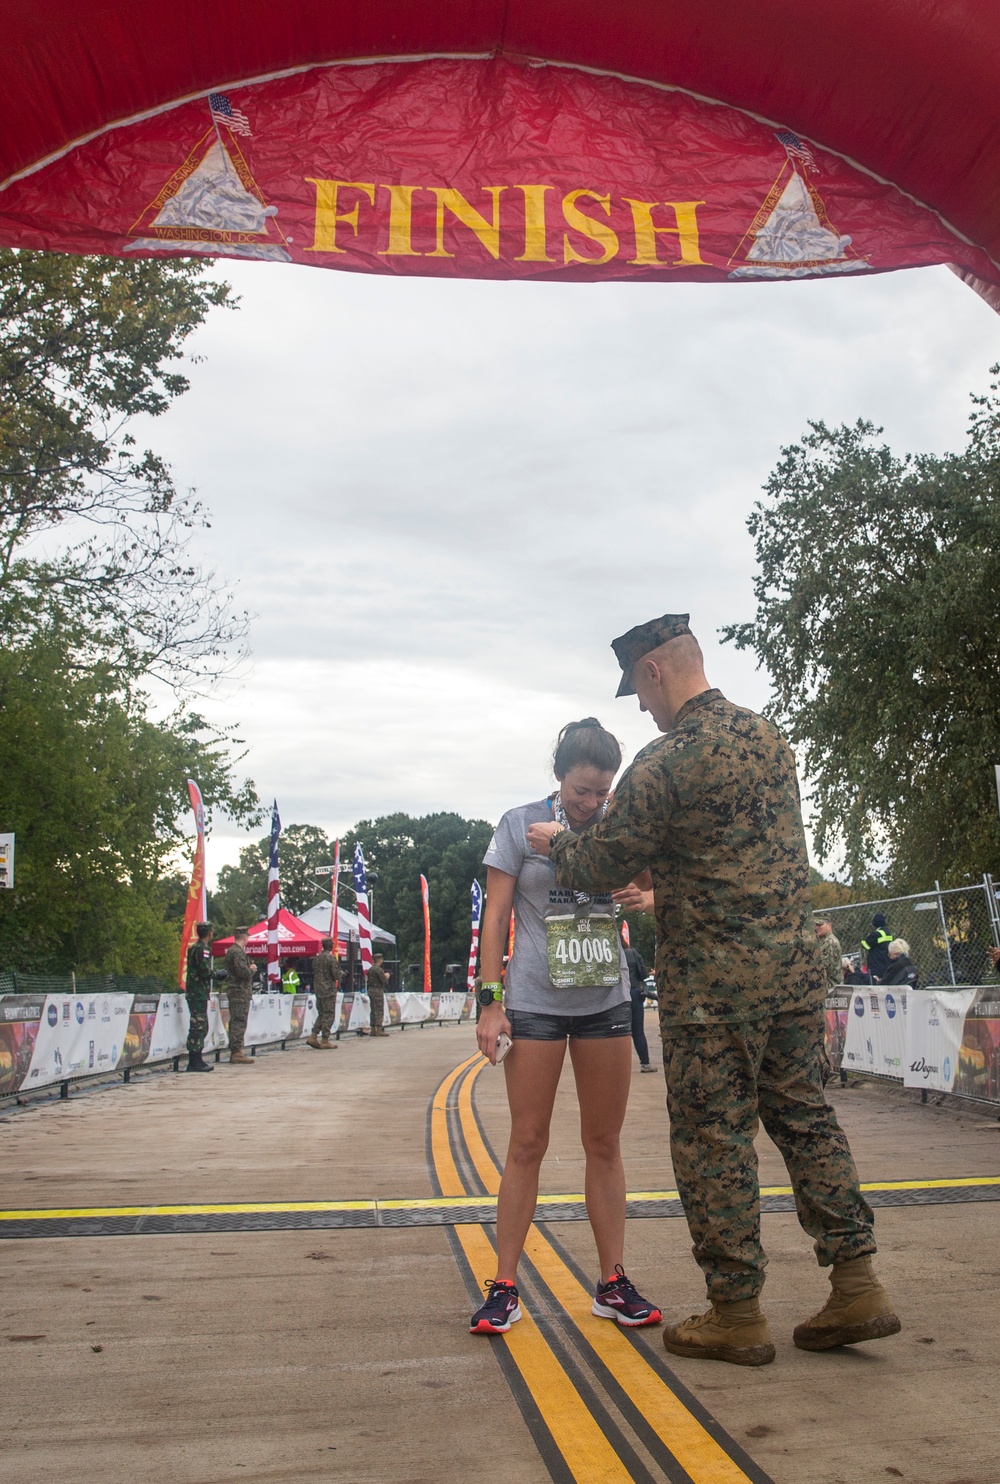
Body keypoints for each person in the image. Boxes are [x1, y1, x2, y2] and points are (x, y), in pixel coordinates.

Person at [526, 615, 900, 1366]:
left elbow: (603, 860)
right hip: (794, 974)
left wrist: (557, 843)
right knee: (805, 1119)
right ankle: (857, 1282)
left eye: (636, 687)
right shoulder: (769, 739)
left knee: (712, 1138)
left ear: (657, 671)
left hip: (714, 988)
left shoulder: (667, 761)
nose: (638, 707)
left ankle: (736, 1311)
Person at [470, 718, 662, 1337]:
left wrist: (649, 899)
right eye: (583, 791)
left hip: (605, 1002)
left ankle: (612, 1281)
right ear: (560, 777)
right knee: (527, 1143)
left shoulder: (619, 829)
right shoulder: (518, 825)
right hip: (534, 1005)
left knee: (603, 1144)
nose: (591, 803)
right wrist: (490, 1001)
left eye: (603, 792)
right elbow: (496, 914)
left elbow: (667, 884)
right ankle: (504, 1284)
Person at [184, 922, 215, 1074]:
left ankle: (196, 1059)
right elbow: (204, 970)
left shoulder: (193, 947)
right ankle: (195, 1060)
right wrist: (217, 974)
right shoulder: (203, 949)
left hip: (194, 991)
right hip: (198, 992)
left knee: (199, 1024)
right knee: (199, 1025)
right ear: (210, 933)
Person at [223, 927, 256, 1066]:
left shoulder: (235, 951)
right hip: (239, 992)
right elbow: (243, 972)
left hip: (239, 992)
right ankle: (236, 1052)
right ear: (244, 938)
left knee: (238, 1020)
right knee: (239, 1021)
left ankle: (237, 1050)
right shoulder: (236, 952)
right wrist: (252, 969)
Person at [623, 934, 655, 1072]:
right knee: (638, 1032)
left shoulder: (609, 954)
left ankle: (616, 1067)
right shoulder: (633, 952)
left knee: (617, 1033)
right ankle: (645, 1063)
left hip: (616, 996)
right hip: (634, 992)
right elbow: (643, 974)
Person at [308, 937, 342, 1049]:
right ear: (330, 945)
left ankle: (313, 1035)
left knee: (321, 1014)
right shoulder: (331, 958)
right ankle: (325, 1039)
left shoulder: (317, 959)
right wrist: (341, 973)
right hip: (329, 990)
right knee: (329, 1014)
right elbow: (335, 975)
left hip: (318, 989)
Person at [861, 914, 893, 983]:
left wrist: (868, 937)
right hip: (886, 962)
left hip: (876, 964)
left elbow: (865, 945)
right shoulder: (888, 933)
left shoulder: (876, 934)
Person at [815, 918, 843, 991]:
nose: (817, 927)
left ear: (829, 925)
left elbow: (826, 967)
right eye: (815, 925)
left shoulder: (830, 942)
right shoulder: (822, 941)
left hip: (831, 987)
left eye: (820, 925)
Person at [366, 953, 389, 1037]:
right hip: (377, 990)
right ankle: (379, 1029)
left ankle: (373, 1029)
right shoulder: (378, 970)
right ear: (379, 960)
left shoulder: (370, 969)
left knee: (373, 1010)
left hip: (371, 990)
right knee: (379, 1009)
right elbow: (384, 981)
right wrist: (386, 976)